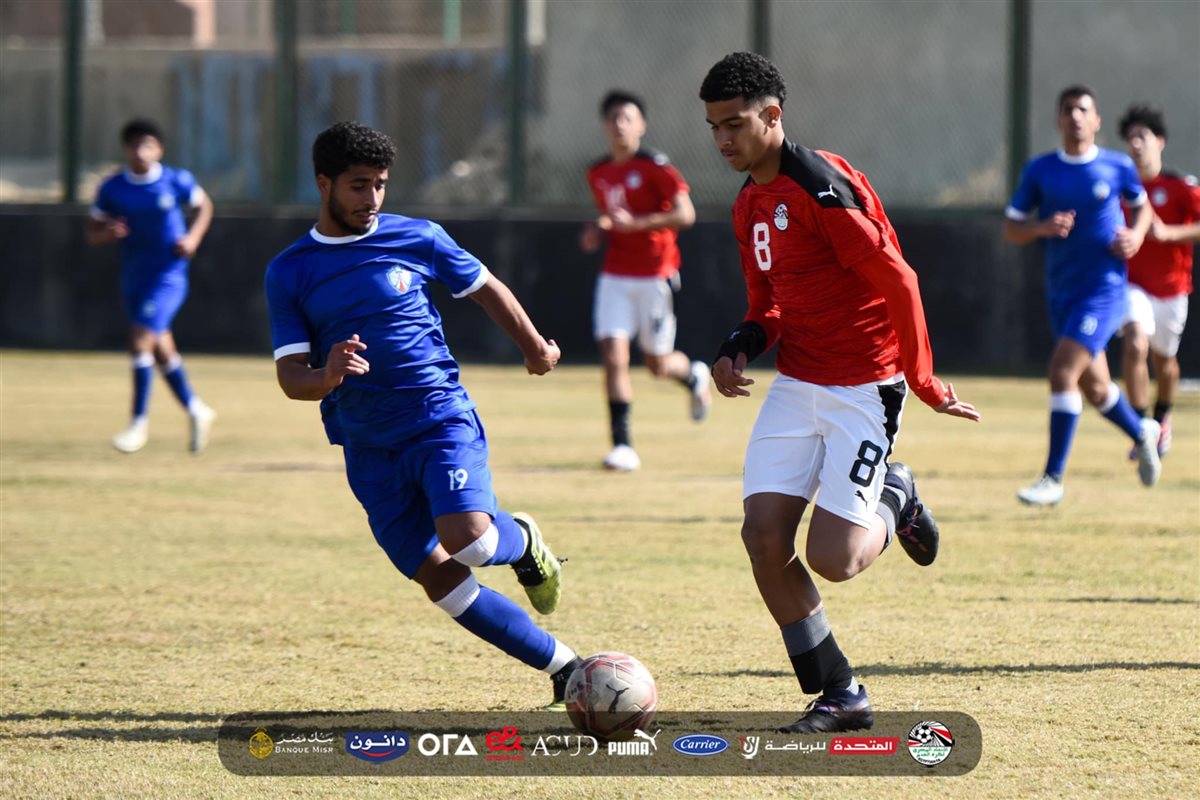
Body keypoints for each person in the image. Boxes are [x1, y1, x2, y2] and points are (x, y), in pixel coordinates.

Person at [699, 52, 979, 734]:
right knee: (763, 538)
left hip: (865, 387)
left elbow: (900, 283)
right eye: (713, 127)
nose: (723, 140)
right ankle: (841, 692)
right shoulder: (749, 204)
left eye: (735, 124)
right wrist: (737, 347)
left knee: (835, 558)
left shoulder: (822, 189)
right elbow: (766, 305)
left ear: (774, 116)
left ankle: (895, 494)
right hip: (798, 381)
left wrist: (924, 382)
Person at [264, 121, 583, 707]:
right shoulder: (290, 271)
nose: (373, 200)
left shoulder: (419, 237)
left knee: (471, 542)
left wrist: (534, 346)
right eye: (359, 186)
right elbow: (291, 379)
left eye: (381, 185)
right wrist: (327, 375)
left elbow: (485, 286)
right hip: (366, 445)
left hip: (437, 418)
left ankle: (524, 540)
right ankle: (565, 668)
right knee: (440, 578)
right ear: (324, 183)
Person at [1005, 86, 1160, 506]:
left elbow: (1142, 207)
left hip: (1105, 290)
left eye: (1084, 110)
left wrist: (1137, 235)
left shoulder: (1116, 166)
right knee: (1095, 388)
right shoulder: (1040, 170)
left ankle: (1052, 478)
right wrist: (1042, 228)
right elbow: (1012, 227)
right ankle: (1142, 431)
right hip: (1063, 292)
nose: (1075, 116)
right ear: (1058, 120)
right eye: (1068, 110)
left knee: (1061, 372)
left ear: (1096, 122)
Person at [580, 89, 711, 472]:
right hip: (615, 275)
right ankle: (622, 445)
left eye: (628, 118)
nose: (620, 125)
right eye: (614, 118)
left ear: (641, 125)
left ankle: (692, 375)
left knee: (656, 364)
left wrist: (636, 224)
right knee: (613, 356)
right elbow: (612, 216)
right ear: (605, 126)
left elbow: (686, 214)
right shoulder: (598, 172)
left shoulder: (655, 166)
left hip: (655, 274)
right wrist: (599, 230)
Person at [87, 118, 216, 454]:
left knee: (140, 339)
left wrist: (193, 238)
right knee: (161, 348)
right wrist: (108, 234)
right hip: (134, 276)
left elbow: (204, 206)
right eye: (135, 145)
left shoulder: (175, 180)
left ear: (159, 149)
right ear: (126, 149)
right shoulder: (114, 187)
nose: (141, 151)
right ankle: (196, 409)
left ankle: (138, 424)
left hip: (169, 276)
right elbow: (93, 232)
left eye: (148, 144)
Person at [1117, 104, 1200, 459]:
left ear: (1160, 142)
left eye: (1143, 136)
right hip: (1131, 284)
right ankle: (1140, 428)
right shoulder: (1121, 186)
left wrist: (1168, 234)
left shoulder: (1180, 186)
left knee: (1164, 361)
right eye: (1131, 137)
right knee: (1135, 344)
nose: (1137, 144)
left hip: (1172, 289)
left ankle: (1163, 416)